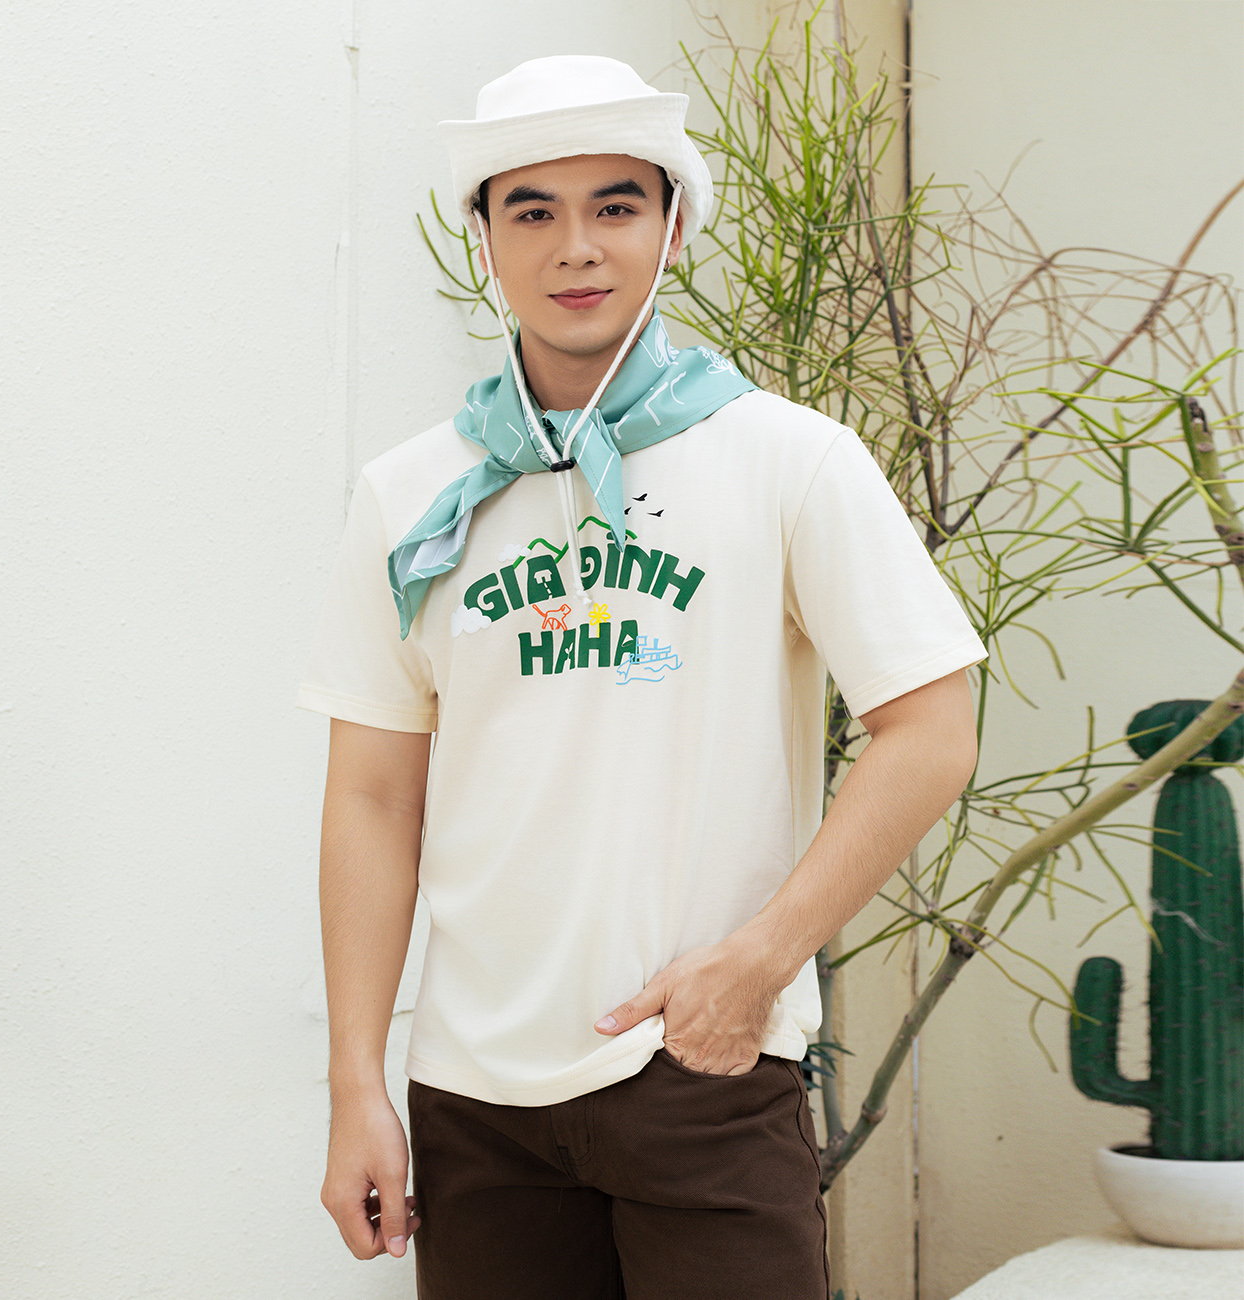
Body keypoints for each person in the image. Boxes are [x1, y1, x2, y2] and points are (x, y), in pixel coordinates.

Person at [296, 54, 986, 1299]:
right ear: (483, 238)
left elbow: (930, 728)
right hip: (476, 1102)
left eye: (615, 205)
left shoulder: (788, 459)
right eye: (533, 211)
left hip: (703, 1070)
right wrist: (358, 1083)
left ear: (672, 226)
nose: (576, 247)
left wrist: (760, 959)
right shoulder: (410, 495)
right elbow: (372, 795)